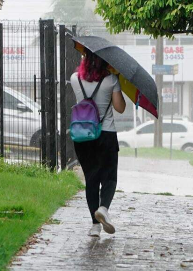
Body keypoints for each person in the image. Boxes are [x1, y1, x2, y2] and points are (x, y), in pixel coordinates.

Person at [70, 48, 126, 237]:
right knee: (109, 178)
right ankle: (103, 208)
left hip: (83, 137)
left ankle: (95, 226)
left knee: (91, 179)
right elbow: (120, 108)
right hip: (106, 134)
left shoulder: (74, 78)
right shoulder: (111, 80)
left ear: (85, 59)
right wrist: (116, 83)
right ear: (104, 61)